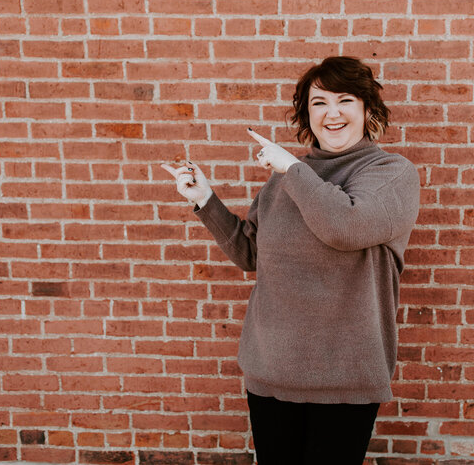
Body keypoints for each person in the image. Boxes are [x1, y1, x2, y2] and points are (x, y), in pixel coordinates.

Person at [161, 56, 420, 465]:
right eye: (319, 103)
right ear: (307, 114)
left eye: (345, 100)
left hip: (343, 378)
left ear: (366, 109)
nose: (332, 113)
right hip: (271, 372)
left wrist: (293, 169)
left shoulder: (390, 173)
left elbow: (346, 227)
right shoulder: (284, 178)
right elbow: (250, 254)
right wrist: (205, 201)